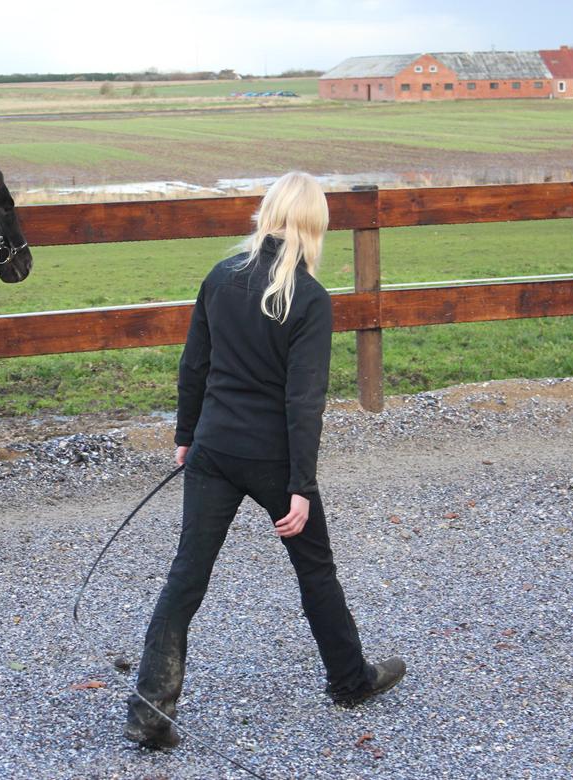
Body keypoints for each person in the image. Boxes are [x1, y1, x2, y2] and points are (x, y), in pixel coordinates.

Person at [124, 172, 406, 750]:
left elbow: (193, 365)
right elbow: (304, 400)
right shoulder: (310, 299)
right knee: (315, 568)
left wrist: (187, 434)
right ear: (314, 226)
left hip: (214, 449)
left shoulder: (220, 278)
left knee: (187, 574)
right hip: (273, 459)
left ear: (267, 214)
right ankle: (350, 680)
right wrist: (301, 485)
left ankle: (150, 708)